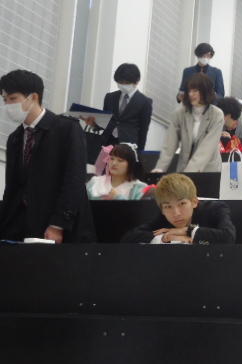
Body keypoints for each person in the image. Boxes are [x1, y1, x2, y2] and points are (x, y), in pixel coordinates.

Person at [0, 69, 95, 243]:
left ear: (33, 97)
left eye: (12, 99)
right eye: (4, 100)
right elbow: (12, 187)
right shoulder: (15, 138)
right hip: (21, 225)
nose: (7, 105)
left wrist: (58, 224)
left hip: (58, 227)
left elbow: (74, 179)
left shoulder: (67, 129)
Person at [122, 173, 236, 244]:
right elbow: (128, 238)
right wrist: (165, 238)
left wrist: (188, 231)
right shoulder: (163, 218)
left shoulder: (214, 209)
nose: (176, 213)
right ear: (162, 210)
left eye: (182, 204)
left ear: (194, 202)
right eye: (168, 206)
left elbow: (228, 237)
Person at [153, 73, 224, 173]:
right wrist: (160, 168)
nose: (191, 94)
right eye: (189, 91)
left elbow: (207, 148)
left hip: (208, 170)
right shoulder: (179, 114)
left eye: (195, 91)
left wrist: (188, 173)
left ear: (205, 91)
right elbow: (169, 145)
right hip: (184, 168)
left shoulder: (217, 115)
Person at [92, 63, 152, 151]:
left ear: (136, 81)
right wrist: (94, 124)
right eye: (120, 82)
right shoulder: (110, 97)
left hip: (128, 147)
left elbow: (143, 131)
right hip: (107, 143)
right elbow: (106, 122)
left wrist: (139, 154)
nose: (122, 85)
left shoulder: (145, 102)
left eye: (126, 83)